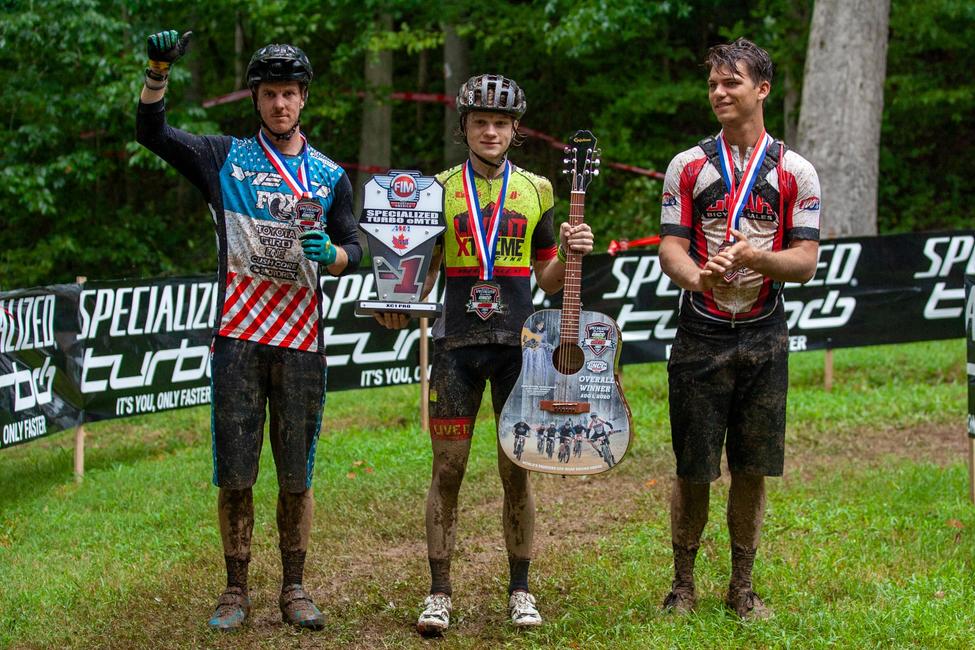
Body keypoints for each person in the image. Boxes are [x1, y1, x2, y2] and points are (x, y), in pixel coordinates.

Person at [136, 31, 362, 631]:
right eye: (269, 94)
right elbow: (152, 134)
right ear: (256, 100)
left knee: (296, 472)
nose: (280, 104)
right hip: (238, 338)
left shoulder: (330, 174)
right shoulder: (223, 157)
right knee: (235, 471)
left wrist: (334, 256)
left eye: (289, 94)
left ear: (303, 99)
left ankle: (294, 588)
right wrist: (158, 71)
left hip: (302, 343)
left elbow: (357, 246)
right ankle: (235, 589)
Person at [373, 73, 593, 635]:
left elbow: (545, 278)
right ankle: (438, 592)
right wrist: (393, 302)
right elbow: (417, 279)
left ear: (515, 129)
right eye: (480, 122)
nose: (490, 131)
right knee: (448, 470)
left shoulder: (540, 189)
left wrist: (568, 253)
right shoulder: (436, 190)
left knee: (515, 471)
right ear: (463, 127)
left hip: (521, 348)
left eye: (500, 123)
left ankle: (520, 589)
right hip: (455, 347)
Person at [657, 38, 821, 620]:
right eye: (712, 85)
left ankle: (742, 588)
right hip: (700, 332)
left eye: (731, 83)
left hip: (763, 334)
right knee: (693, 466)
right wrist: (699, 278)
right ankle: (682, 585)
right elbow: (670, 247)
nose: (719, 93)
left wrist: (756, 258)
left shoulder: (796, 171)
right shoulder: (689, 165)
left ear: (762, 89)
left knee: (752, 468)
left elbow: (805, 262)